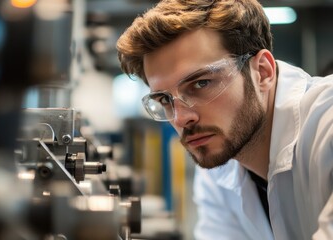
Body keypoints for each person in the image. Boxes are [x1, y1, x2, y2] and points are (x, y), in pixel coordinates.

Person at [116, 0, 333, 239]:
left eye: (201, 83)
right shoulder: (218, 169)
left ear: (263, 72)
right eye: (165, 100)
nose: (181, 118)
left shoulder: (326, 123)